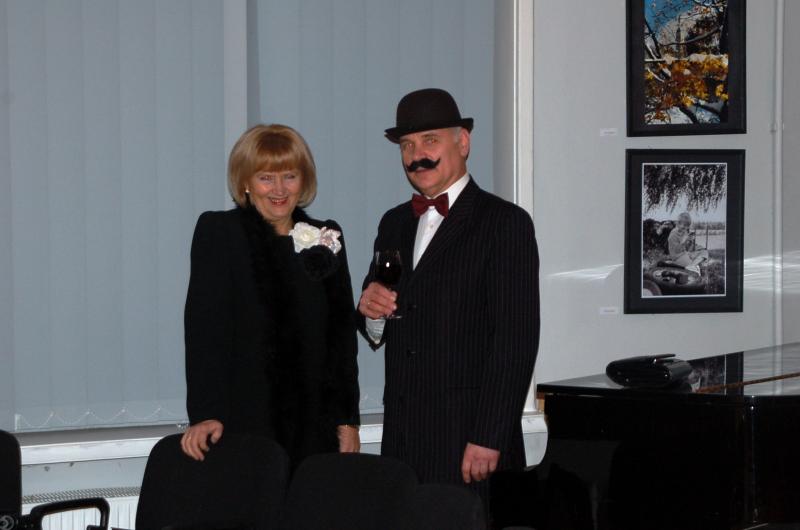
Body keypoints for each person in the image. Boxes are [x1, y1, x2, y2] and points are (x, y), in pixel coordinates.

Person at [357, 88, 540, 506]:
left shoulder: (505, 223)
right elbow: (378, 323)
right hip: (403, 442)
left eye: (430, 140)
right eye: (407, 145)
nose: (416, 155)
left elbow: (515, 340)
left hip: (470, 445)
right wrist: (371, 312)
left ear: (463, 143)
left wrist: (489, 436)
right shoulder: (393, 223)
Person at [181, 124, 360, 469]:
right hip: (244, 422)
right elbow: (205, 332)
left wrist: (347, 420)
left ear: (303, 181)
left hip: (316, 427)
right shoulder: (220, 234)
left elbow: (341, 338)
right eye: (266, 177)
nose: (279, 189)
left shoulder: (326, 237)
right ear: (246, 183)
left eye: (289, 176)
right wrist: (205, 413)